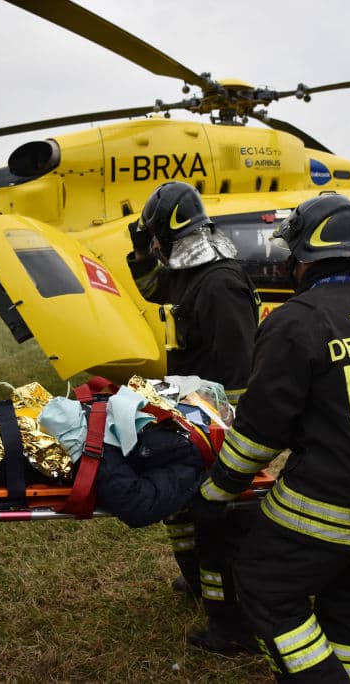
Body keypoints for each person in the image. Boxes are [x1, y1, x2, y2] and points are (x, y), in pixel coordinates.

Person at [191, 194, 350, 680]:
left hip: (342, 502)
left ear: (303, 255)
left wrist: (213, 493)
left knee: (263, 581)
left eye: (290, 255)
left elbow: (259, 436)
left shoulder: (294, 321)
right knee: (349, 606)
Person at [126, 181, 260, 655]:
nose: (154, 245)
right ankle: (196, 580)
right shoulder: (188, 271)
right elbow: (152, 289)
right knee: (182, 509)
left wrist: (227, 437)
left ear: (170, 231)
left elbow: (240, 371)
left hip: (217, 426)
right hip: (190, 414)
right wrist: (140, 253)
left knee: (216, 525)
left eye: (154, 236)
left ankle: (232, 627)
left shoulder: (221, 284)